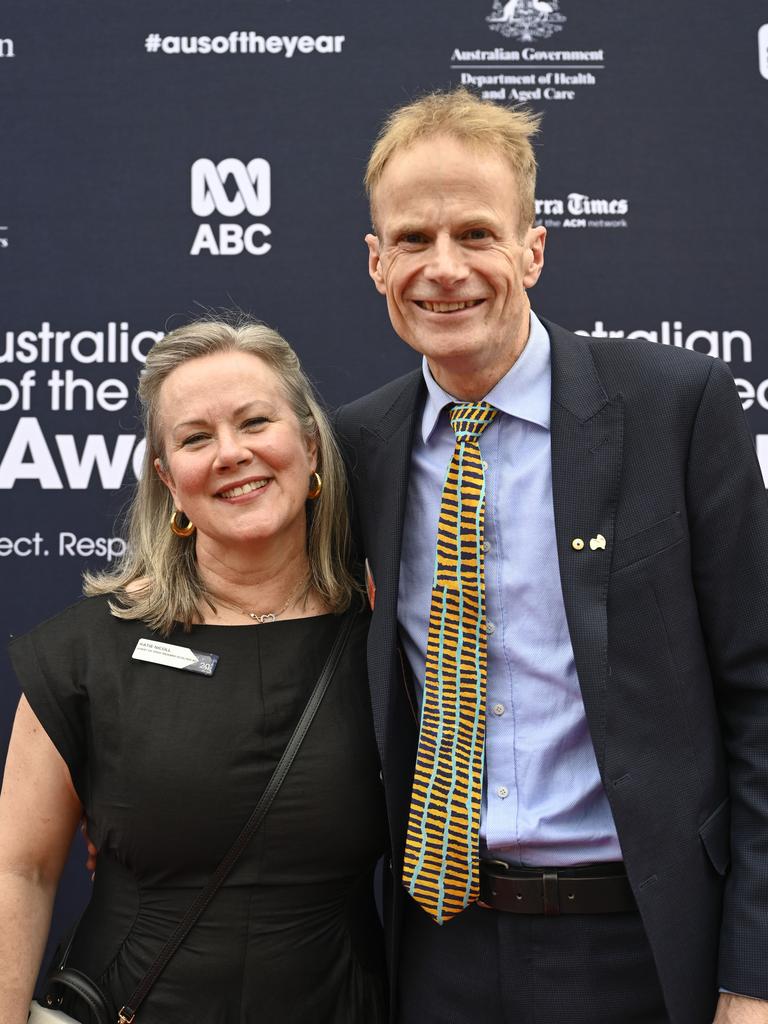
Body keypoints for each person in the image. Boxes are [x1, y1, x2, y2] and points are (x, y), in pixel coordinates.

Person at [334, 89, 768, 1024]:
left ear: (533, 248)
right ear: (376, 263)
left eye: (476, 234)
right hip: (436, 953)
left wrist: (754, 977)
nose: (443, 269)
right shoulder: (359, 446)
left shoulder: (672, 408)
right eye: (412, 240)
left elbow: (761, 700)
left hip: (644, 950)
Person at [0, 320, 387, 1023]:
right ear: (168, 481)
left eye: (254, 422)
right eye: (196, 438)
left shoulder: (387, 644)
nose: (231, 454)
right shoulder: (87, 653)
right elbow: (18, 869)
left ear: (308, 445)